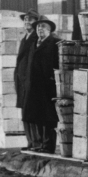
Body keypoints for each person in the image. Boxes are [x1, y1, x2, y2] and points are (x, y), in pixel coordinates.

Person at [22, 17, 60, 153]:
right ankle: (39, 144)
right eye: (38, 27)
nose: (39, 29)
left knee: (48, 117)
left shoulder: (55, 43)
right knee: (36, 115)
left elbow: (58, 64)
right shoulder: (34, 44)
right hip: (34, 86)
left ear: (49, 30)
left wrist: (52, 79)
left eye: (43, 27)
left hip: (47, 86)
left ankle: (48, 146)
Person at [14, 10, 39, 148]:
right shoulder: (25, 38)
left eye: (30, 20)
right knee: (25, 111)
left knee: (32, 112)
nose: (27, 22)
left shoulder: (36, 38)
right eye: (25, 20)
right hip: (22, 80)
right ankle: (30, 141)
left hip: (30, 80)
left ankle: (35, 142)